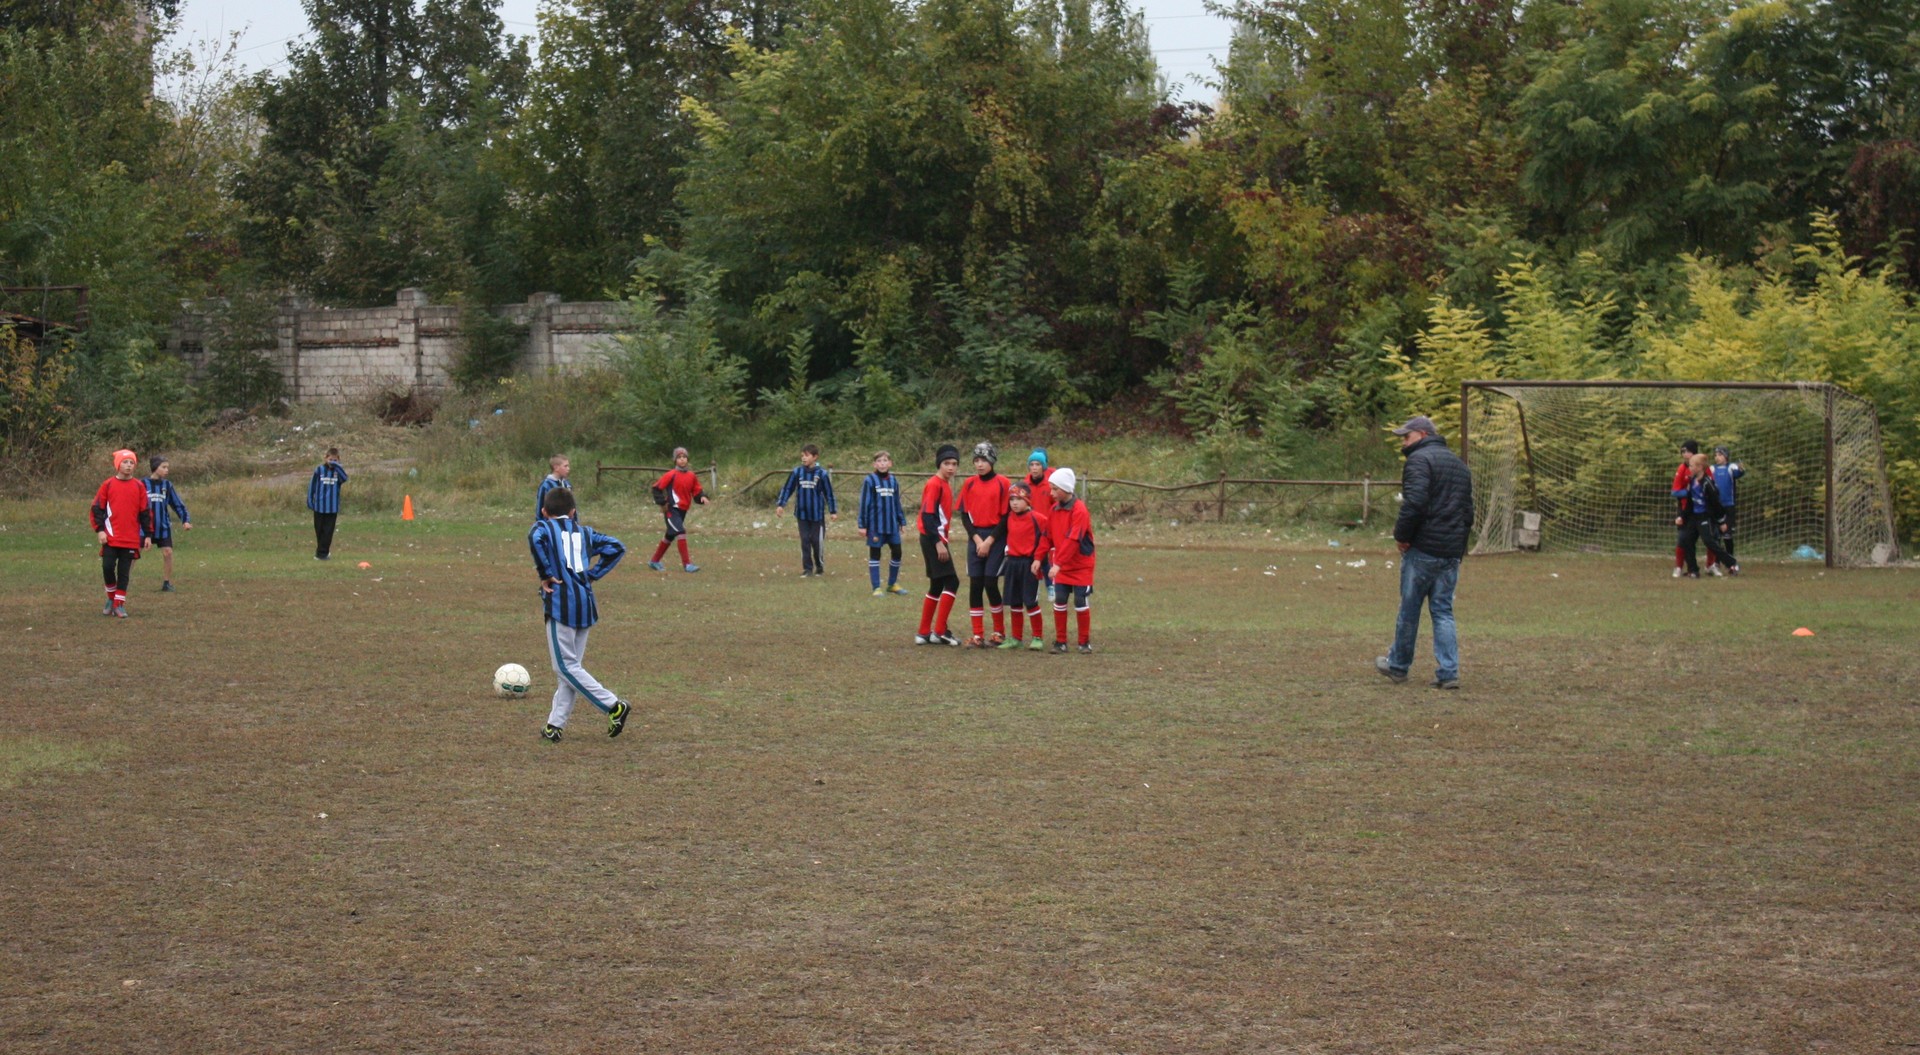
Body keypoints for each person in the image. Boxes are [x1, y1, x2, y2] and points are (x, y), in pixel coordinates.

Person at [1375, 415, 1473, 690]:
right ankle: (1449, 672)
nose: (1403, 443)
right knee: (1443, 611)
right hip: (1450, 550)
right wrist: (1458, 546)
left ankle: (1398, 665)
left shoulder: (1419, 460)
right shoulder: (1459, 465)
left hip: (1424, 548)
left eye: (1406, 437)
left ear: (1422, 434)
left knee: (1410, 609)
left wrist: (1402, 536)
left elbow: (1415, 502)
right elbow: (1468, 512)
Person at [529, 487, 632, 743]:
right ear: (573, 512)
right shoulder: (585, 533)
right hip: (585, 604)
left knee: (565, 667)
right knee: (571, 668)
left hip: (561, 604)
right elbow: (616, 547)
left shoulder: (543, 527)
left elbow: (535, 536)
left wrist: (545, 573)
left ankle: (613, 706)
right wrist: (593, 574)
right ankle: (555, 725)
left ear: (544, 511)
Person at [958, 441, 1012, 646]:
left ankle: (999, 632)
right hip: (976, 537)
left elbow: (1006, 516)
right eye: (977, 460)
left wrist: (989, 541)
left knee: (990, 582)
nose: (979, 464)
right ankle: (978, 635)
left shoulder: (1003, 483)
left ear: (992, 461)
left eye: (984, 460)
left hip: (996, 538)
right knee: (975, 584)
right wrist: (977, 539)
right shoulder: (969, 484)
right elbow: (964, 514)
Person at [1037, 467, 1095, 653]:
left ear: (1066, 488)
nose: (1051, 493)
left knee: (1080, 600)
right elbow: (1047, 536)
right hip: (1061, 566)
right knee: (1060, 599)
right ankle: (1060, 642)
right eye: (1051, 488)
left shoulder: (1080, 510)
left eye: (1055, 489)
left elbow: (1073, 539)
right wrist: (1038, 558)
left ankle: (1084, 642)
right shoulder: (1053, 510)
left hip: (1080, 565)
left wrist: (1058, 563)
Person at [92, 448, 153, 618]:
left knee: (124, 572)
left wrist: (148, 535)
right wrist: (100, 530)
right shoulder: (108, 485)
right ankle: (111, 598)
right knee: (107, 567)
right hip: (111, 537)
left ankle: (119, 605)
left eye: (131, 462)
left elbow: (145, 512)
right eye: (125, 462)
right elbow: (97, 509)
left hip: (131, 538)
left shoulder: (139, 486)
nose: (128, 465)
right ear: (118, 465)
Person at [914, 445, 963, 645]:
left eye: (954, 463)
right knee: (952, 582)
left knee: (937, 584)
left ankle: (923, 632)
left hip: (934, 538)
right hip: (933, 538)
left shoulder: (944, 484)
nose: (951, 467)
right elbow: (927, 516)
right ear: (939, 464)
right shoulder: (935, 484)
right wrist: (938, 543)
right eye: (946, 463)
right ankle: (940, 631)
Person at [999, 481, 1049, 650]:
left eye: (1019, 499)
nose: (1014, 503)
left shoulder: (1038, 518)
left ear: (1027, 500)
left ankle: (1037, 637)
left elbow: (1046, 539)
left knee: (1031, 601)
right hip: (1012, 563)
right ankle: (1016, 638)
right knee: (1014, 602)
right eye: (1012, 499)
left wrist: (1038, 559)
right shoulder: (1008, 518)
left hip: (1029, 564)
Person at [776, 443, 838, 577]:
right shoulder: (797, 472)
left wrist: (833, 511)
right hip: (802, 514)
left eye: (807, 455)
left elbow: (829, 493)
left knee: (816, 541)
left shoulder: (822, 474)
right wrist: (781, 504)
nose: (803, 458)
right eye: (802, 456)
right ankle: (807, 569)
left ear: (815, 457)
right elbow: (788, 488)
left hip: (817, 515)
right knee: (805, 541)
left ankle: (819, 566)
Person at [1675, 452, 1740, 578]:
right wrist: (1682, 516)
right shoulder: (1691, 481)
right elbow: (1689, 503)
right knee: (1687, 540)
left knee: (1709, 542)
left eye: (1692, 466)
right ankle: (1693, 570)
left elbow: (1716, 504)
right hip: (1693, 517)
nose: (1689, 468)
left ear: (1699, 467)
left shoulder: (1707, 483)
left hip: (1705, 517)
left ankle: (1731, 563)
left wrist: (1721, 522)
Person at [858, 450, 910, 596]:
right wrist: (862, 525)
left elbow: (896, 502)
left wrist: (902, 521)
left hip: (892, 525)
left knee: (897, 552)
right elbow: (864, 503)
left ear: (890, 463)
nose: (882, 464)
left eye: (885, 460)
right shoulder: (870, 480)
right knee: (875, 554)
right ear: (874, 464)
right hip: (875, 526)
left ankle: (892, 584)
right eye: (879, 461)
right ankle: (876, 587)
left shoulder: (893, 481)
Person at [648, 447, 709, 572]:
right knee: (681, 532)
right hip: (671, 510)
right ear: (675, 460)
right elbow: (656, 488)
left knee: (670, 535)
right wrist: (662, 503)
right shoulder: (671, 474)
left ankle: (654, 561)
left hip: (682, 511)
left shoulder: (691, 475)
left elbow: (697, 490)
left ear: (687, 459)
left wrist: (702, 497)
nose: (682, 460)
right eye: (679, 457)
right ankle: (687, 565)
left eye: (684, 457)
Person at [145, 454, 192, 592]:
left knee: (168, 552)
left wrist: (185, 520)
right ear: (155, 467)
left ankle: (167, 583)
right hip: (144, 527)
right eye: (164, 467)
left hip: (162, 526)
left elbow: (177, 504)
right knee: (134, 554)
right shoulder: (142, 484)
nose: (167, 470)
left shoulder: (167, 485)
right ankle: (124, 582)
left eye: (167, 467)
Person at [1669, 440, 1713, 577]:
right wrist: (1689, 493)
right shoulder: (1682, 468)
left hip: (1703, 511)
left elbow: (1711, 489)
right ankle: (1680, 567)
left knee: (1711, 539)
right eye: (1683, 451)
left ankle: (1711, 566)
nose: (1685, 454)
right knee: (1683, 539)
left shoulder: (1705, 469)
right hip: (1686, 510)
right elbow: (1675, 492)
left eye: (1687, 451)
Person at [306, 447, 348, 560]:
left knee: (328, 532)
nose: (332, 462)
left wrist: (337, 466)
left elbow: (345, 478)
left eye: (335, 460)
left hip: (332, 508)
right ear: (325, 458)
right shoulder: (319, 470)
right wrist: (310, 499)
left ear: (338, 460)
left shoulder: (338, 472)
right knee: (319, 530)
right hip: (319, 506)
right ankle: (323, 551)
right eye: (330, 460)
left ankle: (322, 554)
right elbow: (312, 486)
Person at [1710, 446, 1745, 569]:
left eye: (1720, 455)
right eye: (1715, 455)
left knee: (1727, 535)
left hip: (1729, 506)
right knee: (1716, 535)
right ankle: (1716, 561)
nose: (1717, 457)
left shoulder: (1731, 467)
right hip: (1716, 506)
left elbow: (1738, 473)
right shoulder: (1712, 469)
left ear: (1726, 456)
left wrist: (1741, 469)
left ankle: (1731, 560)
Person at [536, 454, 572, 520]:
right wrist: (540, 522)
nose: (568, 469)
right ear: (556, 468)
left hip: (567, 522)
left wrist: (575, 522)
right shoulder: (546, 485)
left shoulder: (567, 484)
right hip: (551, 522)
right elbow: (540, 506)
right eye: (565, 466)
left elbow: (572, 506)